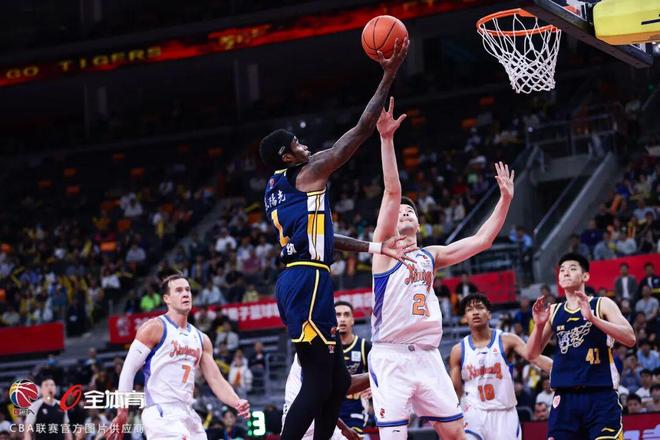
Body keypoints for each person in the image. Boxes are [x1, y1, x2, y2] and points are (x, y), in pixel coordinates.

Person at [259, 37, 409, 440]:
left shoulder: (275, 187)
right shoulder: (307, 174)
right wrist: (389, 74)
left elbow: (324, 236)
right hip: (306, 279)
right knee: (316, 380)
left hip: (303, 277)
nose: (304, 145)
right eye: (296, 144)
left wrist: (375, 247)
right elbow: (358, 132)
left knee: (338, 380)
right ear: (286, 157)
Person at [368, 97, 515, 439]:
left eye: (411, 212)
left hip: (428, 356)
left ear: (419, 224)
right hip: (391, 355)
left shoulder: (431, 255)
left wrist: (505, 200)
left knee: (455, 433)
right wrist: (386, 140)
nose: (405, 212)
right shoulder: (385, 250)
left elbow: (482, 241)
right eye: (400, 212)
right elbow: (392, 192)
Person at [107, 274, 250, 440]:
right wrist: (122, 411)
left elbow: (215, 379)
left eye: (188, 290)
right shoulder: (154, 328)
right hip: (160, 410)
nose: (186, 294)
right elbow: (128, 370)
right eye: (179, 290)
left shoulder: (201, 339)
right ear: (166, 299)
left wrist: (236, 401)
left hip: (187, 411)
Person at [527, 253, 636, 440]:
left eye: (572, 268)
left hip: (600, 395)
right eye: (562, 270)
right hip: (565, 399)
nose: (565, 272)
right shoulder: (553, 311)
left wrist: (593, 319)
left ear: (585, 276)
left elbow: (630, 338)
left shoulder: (602, 304)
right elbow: (531, 354)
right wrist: (538, 326)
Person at [448, 293, 552, 440]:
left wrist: (563, 370)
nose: (475, 312)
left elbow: (534, 357)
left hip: (504, 412)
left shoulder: (507, 340)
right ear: (465, 318)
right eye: (470, 309)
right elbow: (455, 390)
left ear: (489, 314)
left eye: (479, 308)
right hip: (473, 412)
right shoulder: (458, 351)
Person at [282, 354, 371, 440]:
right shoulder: (313, 352)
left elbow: (323, 399)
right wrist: (375, 375)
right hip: (303, 427)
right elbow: (340, 385)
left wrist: (343, 428)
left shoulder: (329, 349)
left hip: (321, 420)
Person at [335, 301, 372, 435]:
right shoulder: (325, 348)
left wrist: (374, 389)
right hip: (330, 406)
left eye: (346, 315)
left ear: (352, 320)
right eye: (338, 315)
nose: (342, 319)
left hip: (355, 407)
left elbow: (380, 374)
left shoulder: (364, 346)